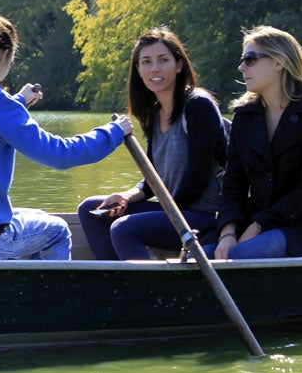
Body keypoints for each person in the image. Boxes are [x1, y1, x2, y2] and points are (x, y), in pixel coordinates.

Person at [0, 9, 132, 260]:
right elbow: (60, 154)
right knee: (57, 231)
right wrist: (113, 132)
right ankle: (39, 299)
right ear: (3, 55)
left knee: (39, 218)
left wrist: (18, 101)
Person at [77, 27, 228, 260]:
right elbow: (152, 180)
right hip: (174, 209)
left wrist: (156, 215)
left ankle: (145, 293)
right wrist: (127, 196)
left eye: (163, 60)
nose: (154, 68)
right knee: (90, 210)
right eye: (146, 62)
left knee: (124, 228)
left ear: (179, 65)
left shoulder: (198, 106)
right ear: (138, 70)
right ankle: (116, 285)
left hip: (206, 217)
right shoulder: (155, 114)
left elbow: (196, 181)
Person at [205, 26, 302, 259]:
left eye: (250, 59)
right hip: (251, 221)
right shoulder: (245, 115)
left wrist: (258, 226)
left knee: (241, 256)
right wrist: (227, 232)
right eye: (242, 60)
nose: (241, 67)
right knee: (199, 257)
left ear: (279, 62)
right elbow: (233, 185)